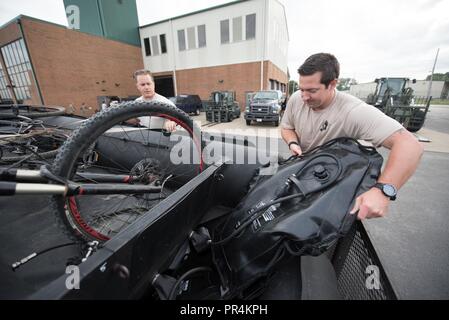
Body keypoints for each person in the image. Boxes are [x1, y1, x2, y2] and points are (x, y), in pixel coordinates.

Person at [281, 53, 423, 220]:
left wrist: (382, 191)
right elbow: (287, 127)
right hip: (303, 171)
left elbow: (410, 144)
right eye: (301, 89)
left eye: (312, 91)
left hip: (331, 186)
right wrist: (292, 143)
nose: (304, 97)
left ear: (332, 84)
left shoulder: (353, 111)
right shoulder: (297, 99)